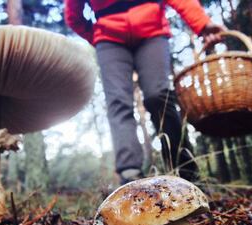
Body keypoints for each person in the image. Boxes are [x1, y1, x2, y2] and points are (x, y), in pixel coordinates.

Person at [64, 0, 225, 184]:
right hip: (109, 38)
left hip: (152, 31)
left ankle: (185, 170)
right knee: (118, 101)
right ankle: (130, 174)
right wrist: (97, 37)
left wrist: (202, 23)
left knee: (158, 96)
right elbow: (73, 16)